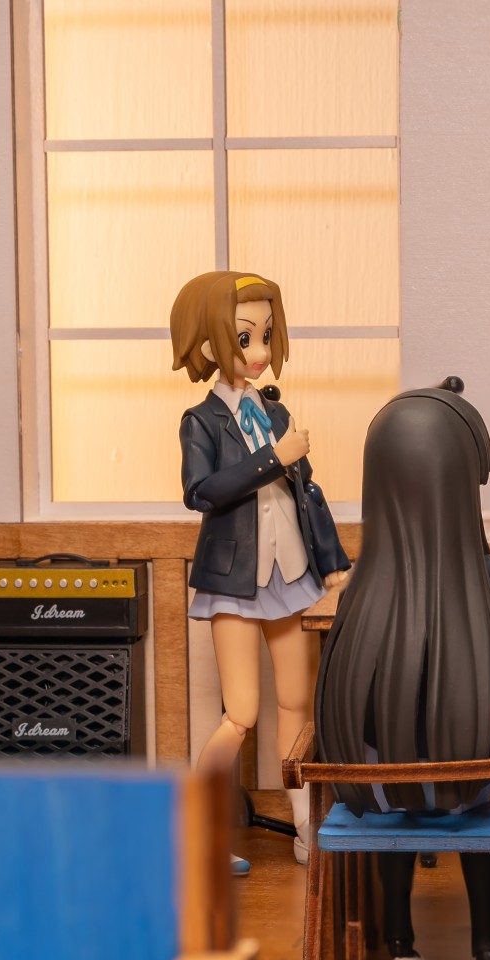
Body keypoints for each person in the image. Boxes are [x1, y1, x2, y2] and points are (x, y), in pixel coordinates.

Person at [315, 381, 490, 960]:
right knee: (468, 771)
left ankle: (400, 948)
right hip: (462, 783)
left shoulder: (360, 585)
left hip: (382, 786)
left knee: (396, 772)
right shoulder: (484, 576)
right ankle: (486, 955)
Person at [172, 271, 351, 873]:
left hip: (290, 573)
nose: (258, 352)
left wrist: (333, 562)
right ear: (209, 344)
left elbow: (307, 496)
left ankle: (305, 824)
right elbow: (201, 491)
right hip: (234, 580)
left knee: (297, 704)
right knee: (241, 713)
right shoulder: (201, 421)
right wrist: (274, 457)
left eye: (266, 336)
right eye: (244, 337)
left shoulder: (276, 412)